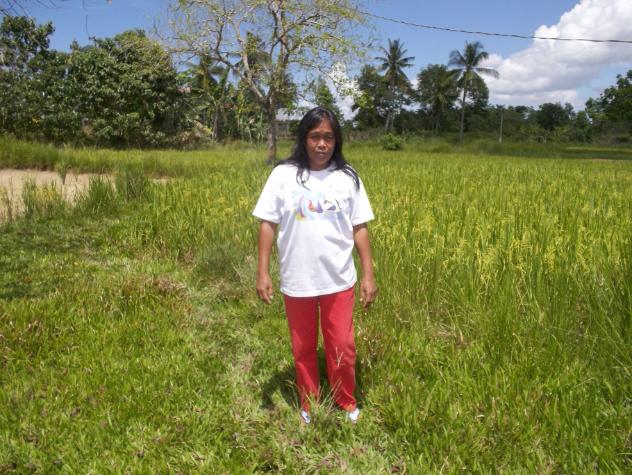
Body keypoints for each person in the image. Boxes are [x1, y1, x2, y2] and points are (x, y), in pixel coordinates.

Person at [253, 107, 377, 425]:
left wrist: (368, 274)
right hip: (298, 279)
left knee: (342, 345)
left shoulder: (347, 178)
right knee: (303, 346)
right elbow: (267, 224)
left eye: (329, 137)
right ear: (304, 139)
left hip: (339, 278)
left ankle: (346, 401)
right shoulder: (283, 175)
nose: (322, 144)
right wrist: (262, 272)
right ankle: (309, 402)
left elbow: (360, 227)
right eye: (315, 136)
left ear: (337, 141)